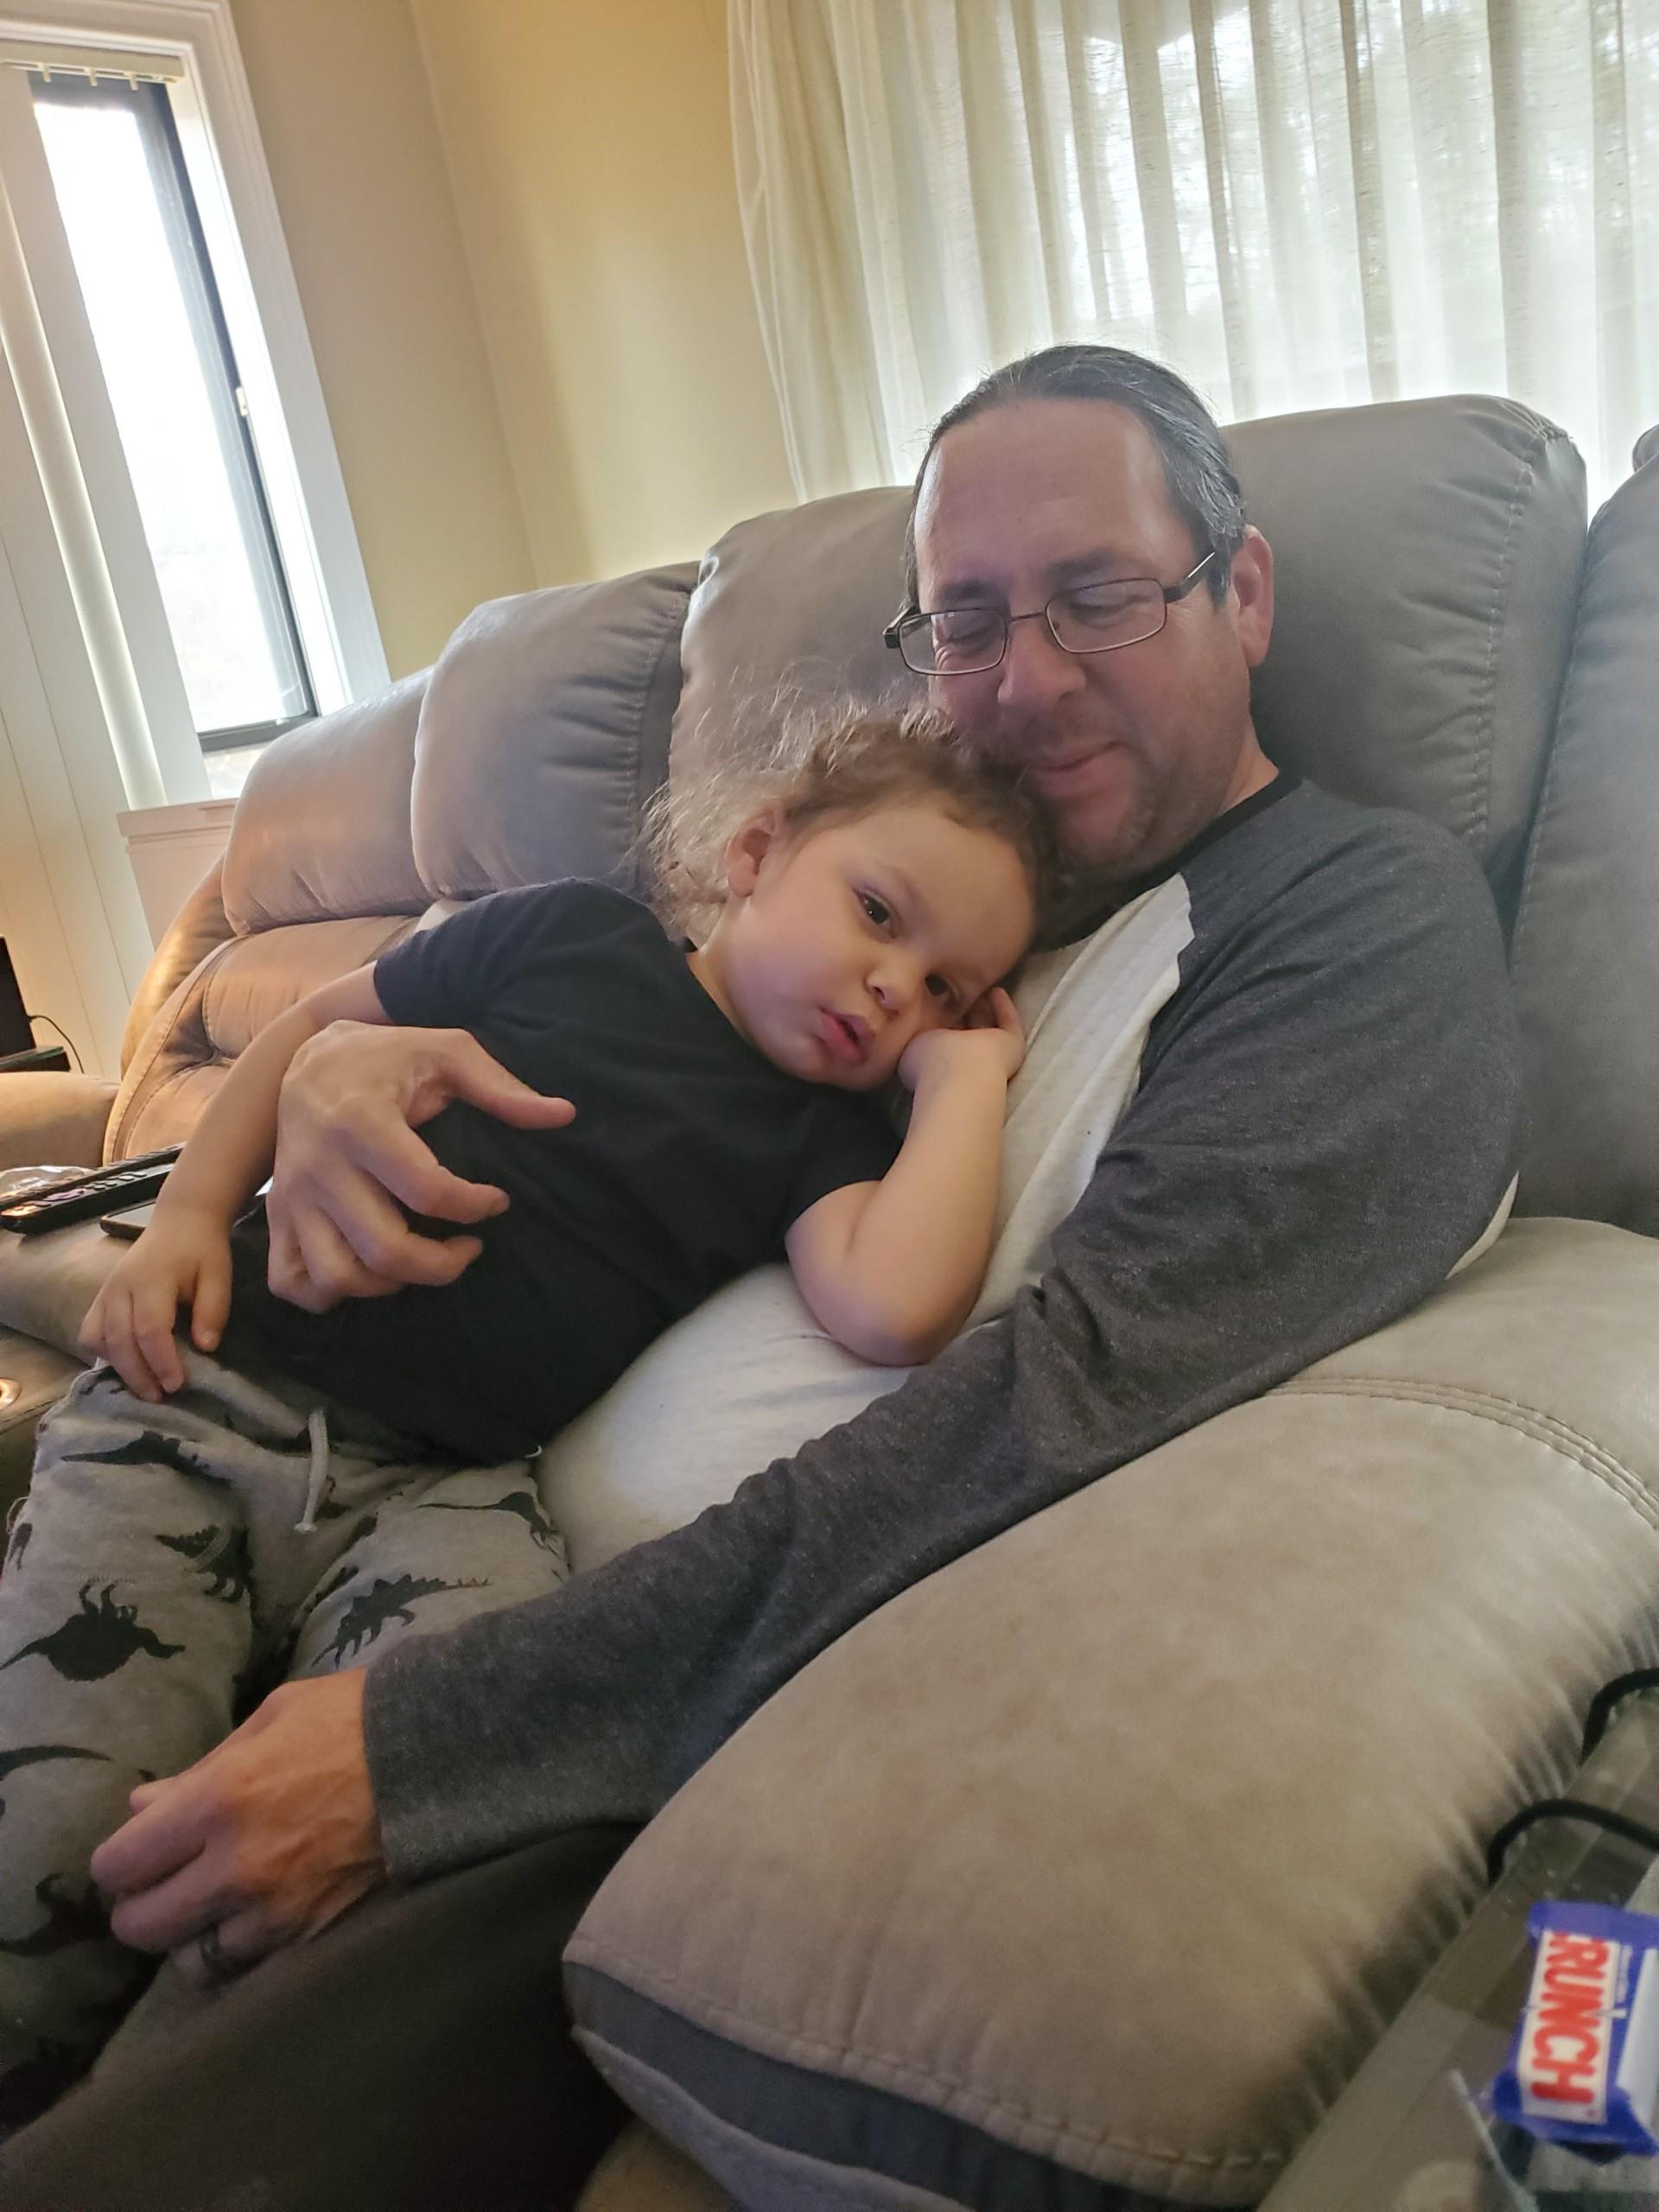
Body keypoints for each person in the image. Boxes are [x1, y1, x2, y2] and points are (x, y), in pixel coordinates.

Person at [0, 344, 1522, 2209]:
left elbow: (1063, 1402)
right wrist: (319, 1072)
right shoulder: (912, 892)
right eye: (969, 617)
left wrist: (435, 1739)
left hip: (573, 1650)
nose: (1027, 677)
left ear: (1247, 591)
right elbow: (535, 1015)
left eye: (1101, 594)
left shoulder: (1355, 924)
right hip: (286, 1394)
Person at [0, 707, 1046, 2119]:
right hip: (208, 1398)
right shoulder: (568, 936)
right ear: (757, 848)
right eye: (877, 914)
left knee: (422, 1811)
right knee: (53, 1834)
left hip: (452, 1487)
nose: (890, 993)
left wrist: (962, 1087)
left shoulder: (822, 1133)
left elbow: (897, 1304)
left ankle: (165, 2128)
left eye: (944, 987)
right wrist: (186, 1217)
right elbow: (305, 1030)